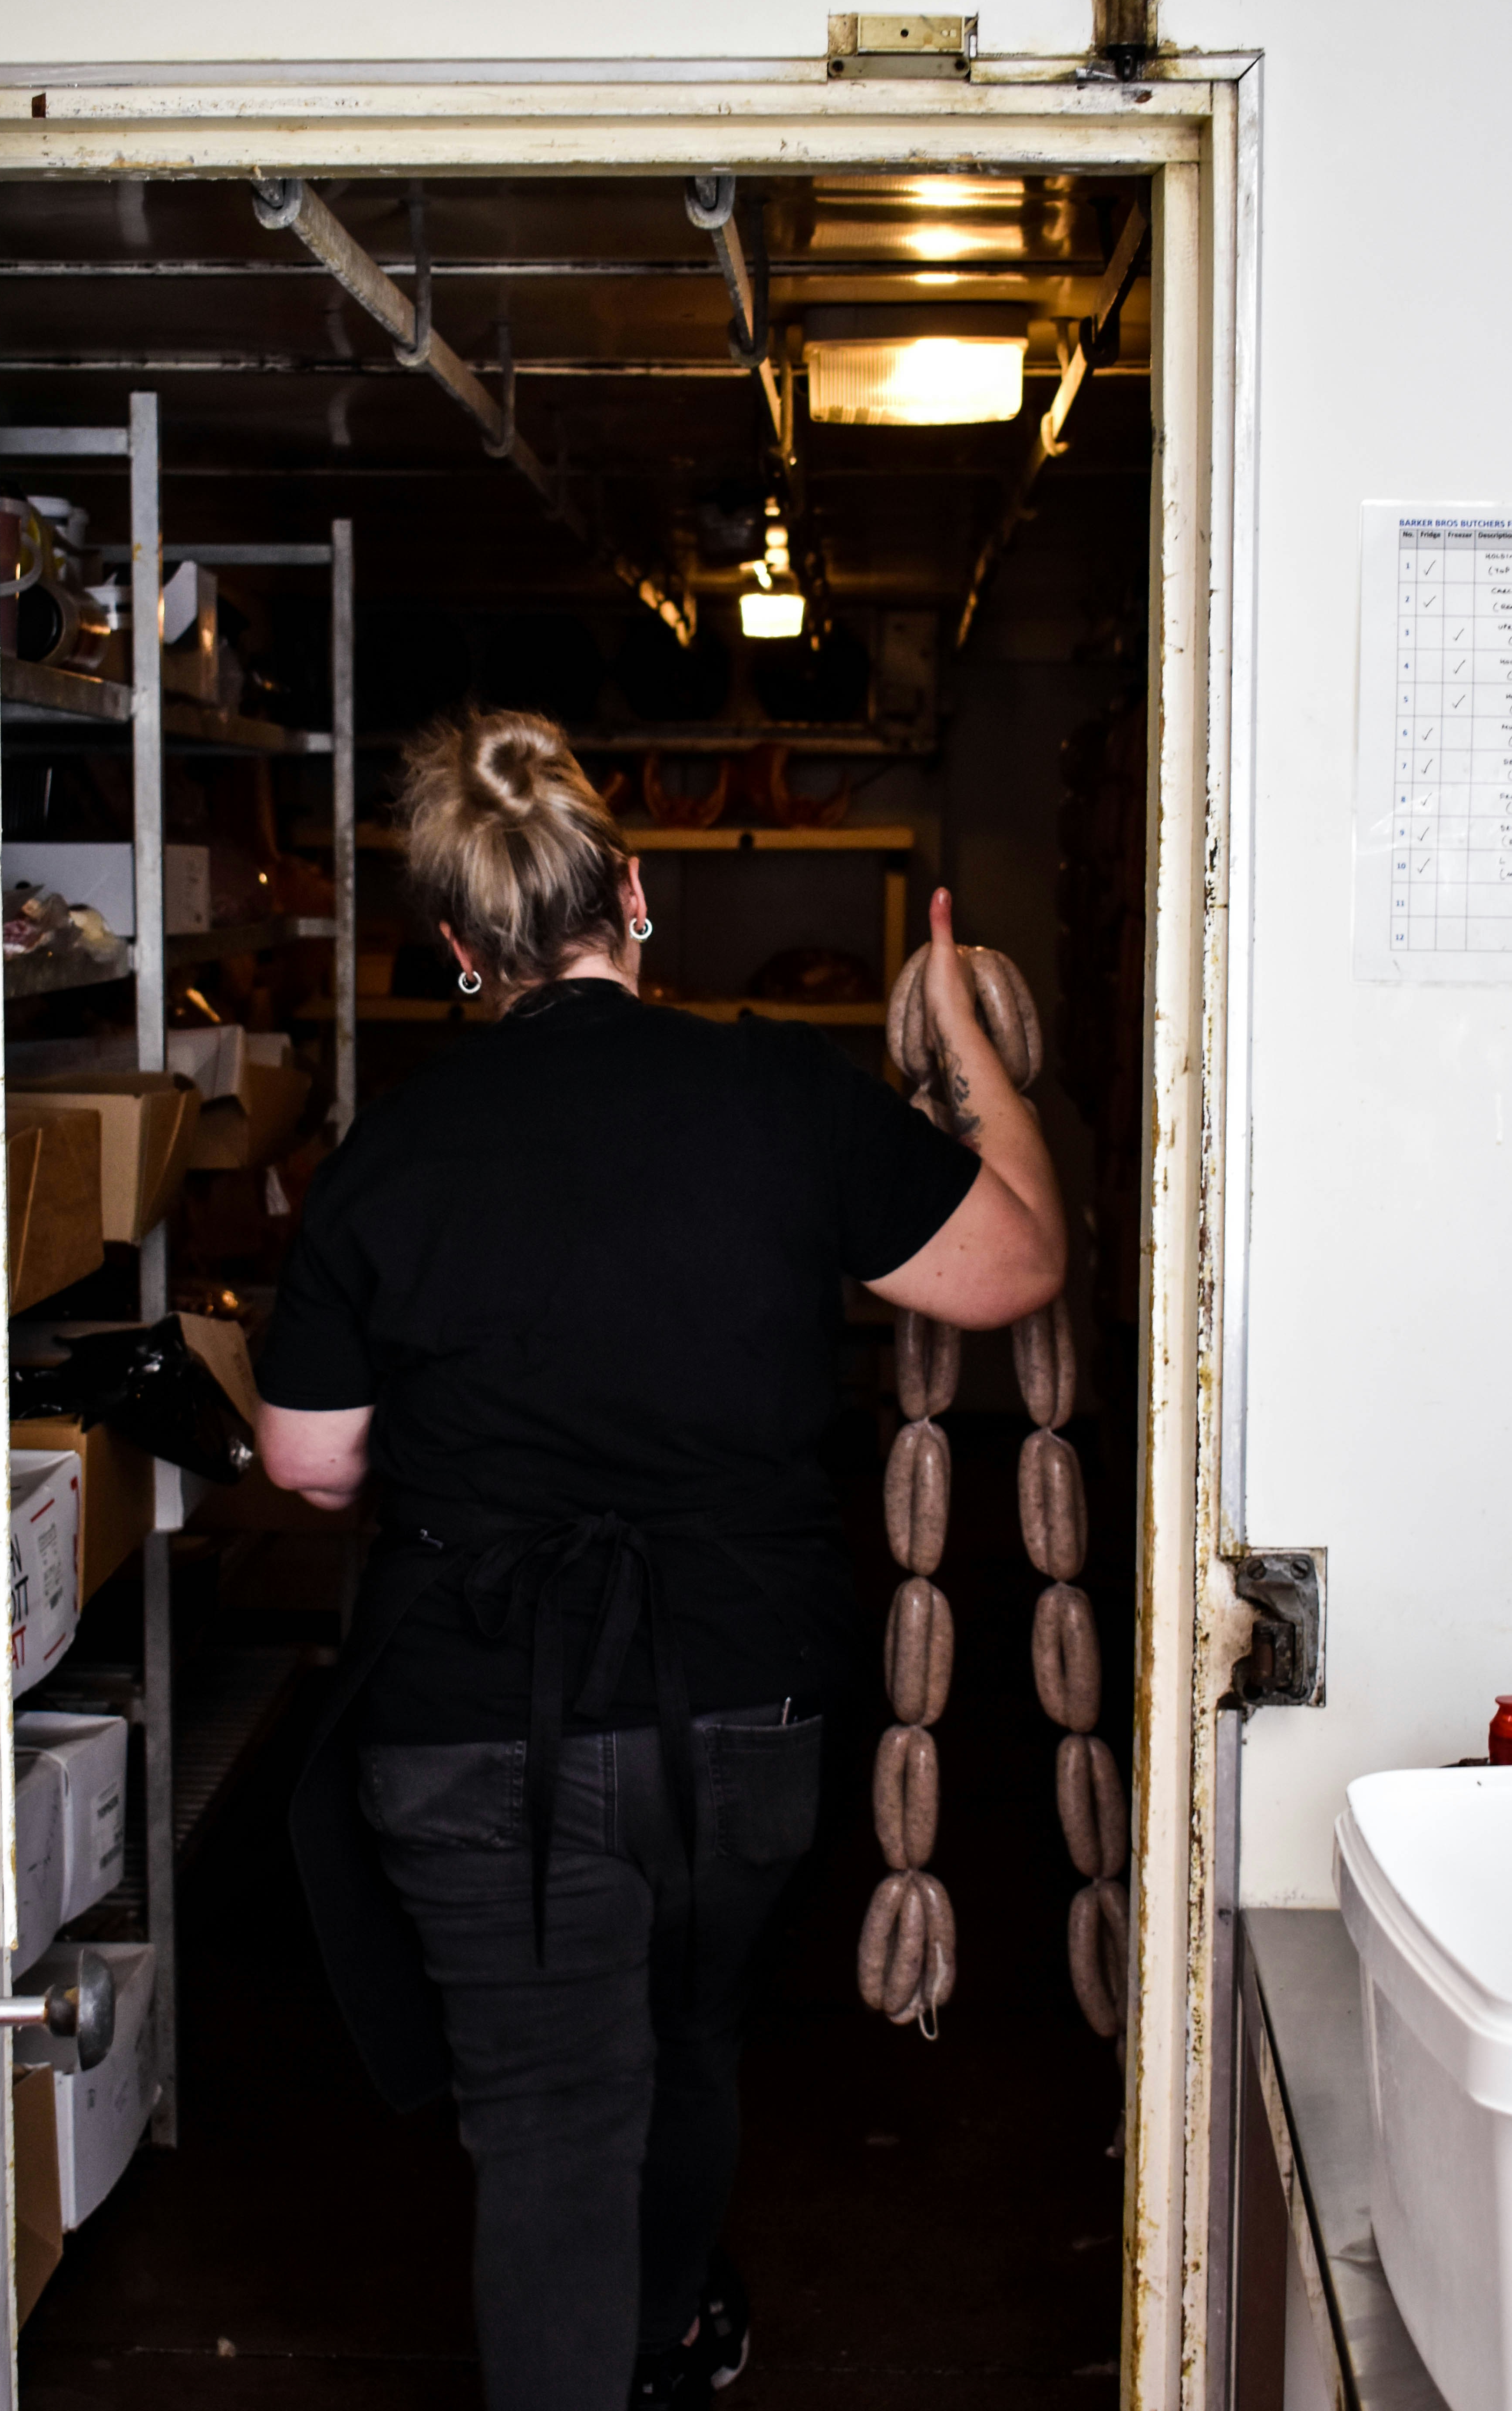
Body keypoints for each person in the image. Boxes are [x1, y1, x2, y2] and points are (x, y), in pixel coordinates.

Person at [255, 707, 1065, 2411]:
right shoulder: (779, 1093)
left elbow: (309, 1463)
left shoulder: (384, 1151)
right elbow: (1009, 1266)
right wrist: (963, 1025)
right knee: (687, 2033)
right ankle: (667, 2329)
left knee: (551, 2118)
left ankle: (609, 2348)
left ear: (462, 947)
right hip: (737, 1694)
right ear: (629, 893)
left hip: (477, 1712)